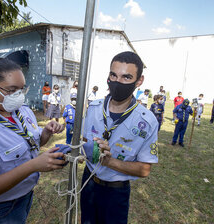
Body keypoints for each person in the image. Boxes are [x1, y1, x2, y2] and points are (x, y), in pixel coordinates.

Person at [0, 57, 66, 223]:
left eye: (21, 89)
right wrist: (33, 166)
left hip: (24, 198)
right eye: (11, 90)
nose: (18, 96)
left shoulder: (22, 112)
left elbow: (33, 143)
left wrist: (45, 132)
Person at [80, 51, 158, 224]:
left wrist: (109, 162)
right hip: (88, 183)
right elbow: (85, 142)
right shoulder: (93, 108)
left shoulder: (147, 121)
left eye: (126, 77)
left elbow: (144, 170)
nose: (117, 82)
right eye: (113, 75)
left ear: (139, 81)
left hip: (115, 192)